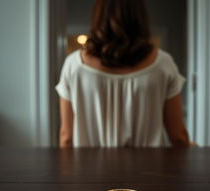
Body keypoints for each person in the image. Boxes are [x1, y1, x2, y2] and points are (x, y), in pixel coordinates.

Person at [56, 0, 191, 148]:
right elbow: (178, 137)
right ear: (140, 17)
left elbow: (66, 137)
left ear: (98, 16)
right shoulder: (164, 64)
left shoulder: (73, 65)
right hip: (149, 169)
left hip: (89, 170)